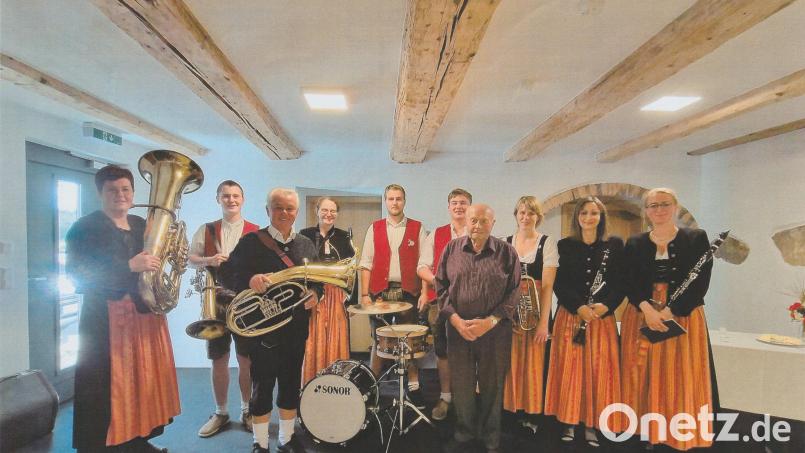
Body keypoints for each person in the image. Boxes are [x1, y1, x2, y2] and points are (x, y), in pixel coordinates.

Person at [66, 165, 179, 453]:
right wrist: (129, 266)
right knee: (108, 385)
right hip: (106, 322)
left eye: (125, 189)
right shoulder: (84, 228)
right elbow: (77, 275)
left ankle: (134, 437)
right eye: (112, 190)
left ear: (133, 193)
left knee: (142, 381)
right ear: (100, 193)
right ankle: (104, 444)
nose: (120, 195)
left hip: (143, 315)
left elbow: (156, 261)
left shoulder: (141, 224)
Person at [219, 188, 319, 453]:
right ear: (267, 210)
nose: (284, 213)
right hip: (262, 330)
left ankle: (286, 438)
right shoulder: (251, 241)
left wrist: (315, 294)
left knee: (290, 382)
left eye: (289, 208)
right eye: (278, 207)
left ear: (296, 212)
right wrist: (249, 281)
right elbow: (227, 274)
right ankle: (260, 443)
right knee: (262, 386)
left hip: (296, 326)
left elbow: (317, 280)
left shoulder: (306, 244)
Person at [621, 187, 718, 451]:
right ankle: (647, 431)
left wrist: (671, 310)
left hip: (683, 314)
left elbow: (701, 279)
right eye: (653, 206)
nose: (659, 210)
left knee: (680, 373)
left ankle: (680, 434)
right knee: (644, 372)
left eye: (664, 204)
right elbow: (628, 281)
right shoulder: (635, 242)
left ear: (675, 207)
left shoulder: (696, 238)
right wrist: (648, 310)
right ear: (646, 211)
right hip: (642, 313)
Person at [437, 204, 521, 453]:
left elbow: (515, 292)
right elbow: (440, 287)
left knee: (492, 386)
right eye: (473, 220)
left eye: (483, 221)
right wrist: (454, 320)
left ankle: (490, 437)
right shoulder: (451, 249)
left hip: (495, 331)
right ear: (466, 221)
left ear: (493, 223)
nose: (477, 225)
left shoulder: (507, 253)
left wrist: (490, 321)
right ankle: (464, 433)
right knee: (461, 386)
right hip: (458, 329)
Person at [544, 196, 626, 446]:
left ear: (601, 217)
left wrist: (606, 306)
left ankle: (593, 424)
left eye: (594, 213)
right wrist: (578, 306)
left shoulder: (614, 244)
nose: (589, 218)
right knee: (571, 371)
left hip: (601, 318)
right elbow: (559, 282)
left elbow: (621, 281)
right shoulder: (565, 245)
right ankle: (568, 420)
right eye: (584, 213)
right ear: (576, 217)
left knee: (597, 372)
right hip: (571, 316)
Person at [188, 180, 259, 437]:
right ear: (218, 199)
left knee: (246, 361)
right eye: (226, 196)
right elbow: (189, 259)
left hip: (246, 302)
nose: (231, 200)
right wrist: (209, 260)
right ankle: (221, 412)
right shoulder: (205, 229)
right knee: (218, 359)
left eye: (236, 196)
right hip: (215, 302)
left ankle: (246, 410)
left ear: (243, 199)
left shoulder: (255, 231)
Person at [359, 184, 428, 406]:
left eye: (398, 198)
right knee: (379, 339)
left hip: (409, 291)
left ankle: (414, 383)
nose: (395, 202)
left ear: (404, 201)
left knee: (407, 340)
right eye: (390, 199)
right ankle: (372, 386)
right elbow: (366, 263)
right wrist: (364, 295)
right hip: (379, 293)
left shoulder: (418, 228)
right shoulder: (375, 227)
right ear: (386, 202)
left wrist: (425, 293)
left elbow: (425, 263)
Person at [502, 196, 558, 434]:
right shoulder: (505, 243)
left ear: (538, 216)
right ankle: (511, 410)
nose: (526, 217)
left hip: (536, 312)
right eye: (522, 213)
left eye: (531, 213)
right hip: (511, 312)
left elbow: (547, 287)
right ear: (516, 215)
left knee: (535, 363)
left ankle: (532, 413)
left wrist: (544, 323)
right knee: (511, 362)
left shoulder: (547, 242)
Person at [416, 188, 472, 420]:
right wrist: (441, 283)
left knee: (469, 352)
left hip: (472, 303)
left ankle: (466, 400)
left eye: (463, 203)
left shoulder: (479, 232)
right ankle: (446, 397)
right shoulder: (436, 234)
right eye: (454, 203)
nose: (458, 206)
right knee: (443, 352)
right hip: (440, 303)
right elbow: (422, 267)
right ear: (448, 207)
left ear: (470, 206)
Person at [299, 197, 356, 384]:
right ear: (317, 211)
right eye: (325, 210)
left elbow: (352, 270)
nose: (329, 214)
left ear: (337, 214)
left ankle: (336, 383)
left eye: (333, 211)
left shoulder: (344, 237)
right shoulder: (304, 235)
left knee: (336, 340)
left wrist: (352, 302)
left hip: (337, 295)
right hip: (313, 296)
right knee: (311, 342)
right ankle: (310, 384)